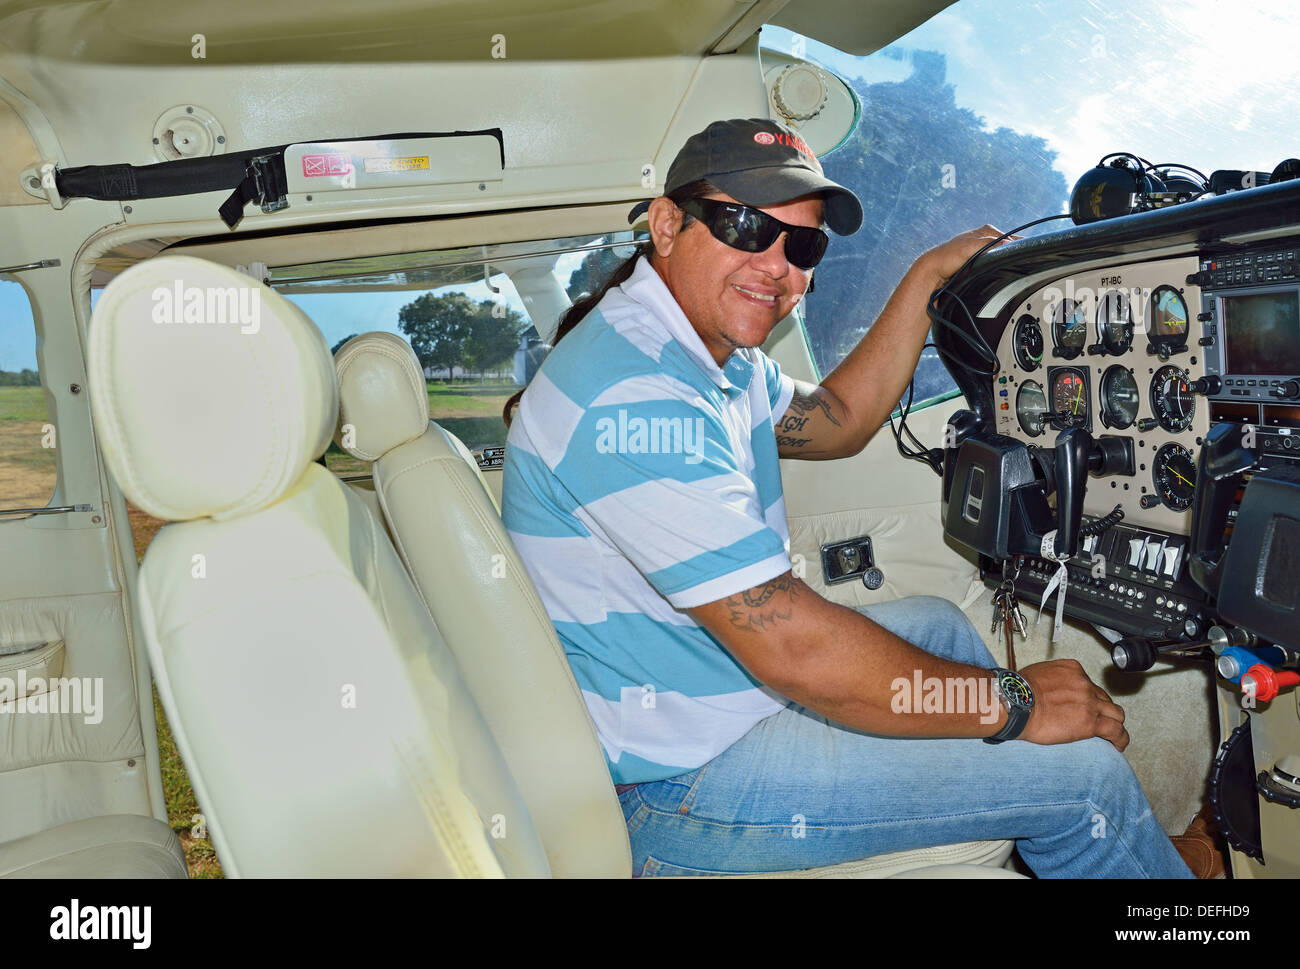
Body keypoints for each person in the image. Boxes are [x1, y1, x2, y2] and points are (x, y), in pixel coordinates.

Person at [501, 117, 1194, 878]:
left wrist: (925, 275)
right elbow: (792, 648)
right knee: (1085, 783)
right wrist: (1015, 704)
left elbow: (838, 420)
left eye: (803, 246)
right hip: (679, 785)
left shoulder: (706, 356)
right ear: (667, 225)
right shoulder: (635, 394)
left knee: (936, 623)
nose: (779, 267)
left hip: (702, 701)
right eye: (745, 226)